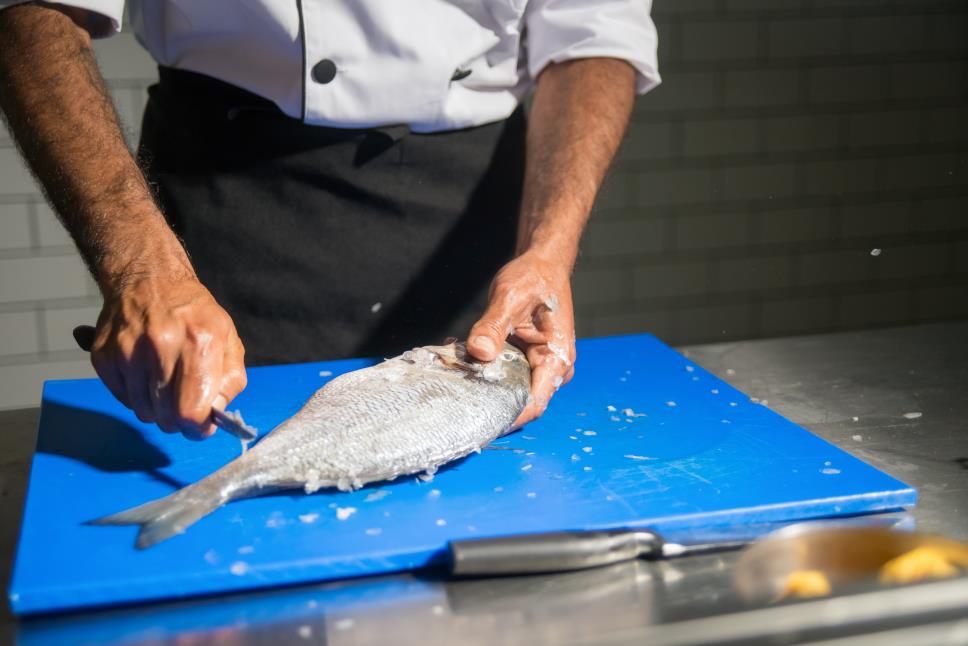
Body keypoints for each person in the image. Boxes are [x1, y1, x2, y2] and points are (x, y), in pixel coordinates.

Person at [0, 1, 659, 441]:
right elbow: (33, 14)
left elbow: (593, 34)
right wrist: (143, 268)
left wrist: (548, 250)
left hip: (470, 219)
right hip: (225, 200)